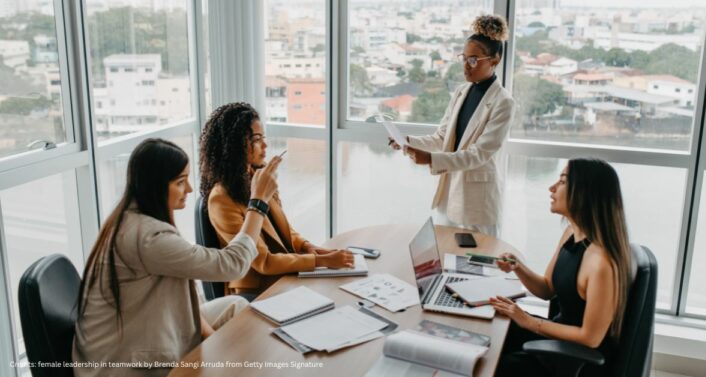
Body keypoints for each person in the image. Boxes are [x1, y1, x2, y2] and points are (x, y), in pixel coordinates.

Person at [73, 138, 280, 377]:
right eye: (181, 182)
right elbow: (232, 265)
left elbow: (180, 297)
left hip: (141, 332)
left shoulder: (131, 217)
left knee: (237, 306)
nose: (190, 189)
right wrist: (258, 204)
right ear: (156, 186)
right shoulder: (149, 238)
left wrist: (215, 342)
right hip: (123, 364)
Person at [490, 158, 634, 377]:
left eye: (563, 181)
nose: (552, 188)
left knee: (493, 363)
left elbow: (591, 337)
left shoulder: (601, 263)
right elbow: (547, 288)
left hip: (574, 357)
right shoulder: (571, 233)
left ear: (584, 193)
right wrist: (517, 267)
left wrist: (530, 322)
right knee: (493, 329)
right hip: (555, 336)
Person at [199, 102, 354, 298]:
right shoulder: (221, 199)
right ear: (234, 145)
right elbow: (263, 262)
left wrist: (307, 247)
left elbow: (284, 230)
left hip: (282, 275)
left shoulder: (259, 176)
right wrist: (320, 261)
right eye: (256, 139)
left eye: (263, 137)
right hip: (255, 290)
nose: (265, 145)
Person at [390, 14, 514, 237]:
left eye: (474, 60)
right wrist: (407, 141)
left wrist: (429, 158)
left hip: (478, 204)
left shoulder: (503, 102)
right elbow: (442, 138)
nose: (466, 66)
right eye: (464, 58)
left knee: (477, 265)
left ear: (494, 60)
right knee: (444, 256)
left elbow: (478, 154)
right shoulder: (461, 91)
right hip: (449, 195)